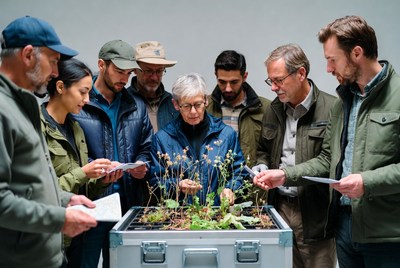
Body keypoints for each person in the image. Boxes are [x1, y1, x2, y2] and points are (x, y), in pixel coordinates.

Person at [253, 15, 400, 268]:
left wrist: (367, 181)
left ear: (356, 53)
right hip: (344, 227)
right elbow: (326, 160)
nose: (329, 69)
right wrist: (284, 175)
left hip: (386, 234)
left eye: (332, 60)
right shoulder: (344, 103)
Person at [0, 16, 97, 268]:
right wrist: (59, 218)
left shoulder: (24, 104)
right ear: (29, 55)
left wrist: (65, 200)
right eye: (53, 61)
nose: (55, 72)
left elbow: (28, 185)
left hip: (46, 257)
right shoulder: (3, 109)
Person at [252, 44, 337, 268]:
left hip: (314, 214)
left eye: (278, 80)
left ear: (301, 73)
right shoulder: (274, 109)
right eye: (270, 81)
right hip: (278, 209)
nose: (273, 88)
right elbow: (263, 149)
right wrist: (261, 166)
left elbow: (329, 162)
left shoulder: (332, 108)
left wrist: (284, 174)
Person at [72, 39, 153, 268]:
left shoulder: (136, 105)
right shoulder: (80, 104)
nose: (124, 79)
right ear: (101, 65)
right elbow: (71, 152)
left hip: (127, 203)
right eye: (119, 71)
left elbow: (146, 147)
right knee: (82, 263)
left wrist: (141, 165)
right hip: (90, 203)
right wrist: (95, 169)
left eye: (128, 73)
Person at [40, 58, 122, 267]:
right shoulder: (36, 128)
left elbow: (80, 192)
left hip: (76, 237)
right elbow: (40, 192)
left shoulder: (75, 128)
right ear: (60, 87)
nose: (87, 99)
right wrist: (84, 172)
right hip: (47, 239)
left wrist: (102, 180)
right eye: (82, 92)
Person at [150, 73, 245, 206]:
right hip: (180, 218)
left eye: (198, 104)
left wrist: (230, 188)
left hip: (217, 216)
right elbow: (155, 181)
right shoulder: (162, 139)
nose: (193, 112)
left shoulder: (226, 134)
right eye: (187, 106)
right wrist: (178, 185)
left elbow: (238, 172)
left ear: (206, 101)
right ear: (176, 105)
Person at [207, 50, 271, 167]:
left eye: (234, 82)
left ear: (244, 76)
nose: (228, 89)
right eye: (222, 82)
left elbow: (271, 150)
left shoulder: (266, 108)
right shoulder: (203, 106)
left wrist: (263, 165)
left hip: (251, 182)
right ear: (215, 76)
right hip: (213, 182)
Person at [127, 41, 179, 132]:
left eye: (159, 71)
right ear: (135, 69)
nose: (154, 77)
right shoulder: (123, 101)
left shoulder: (173, 103)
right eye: (148, 71)